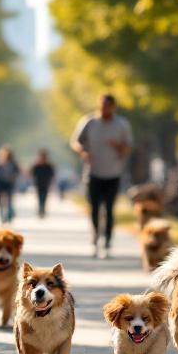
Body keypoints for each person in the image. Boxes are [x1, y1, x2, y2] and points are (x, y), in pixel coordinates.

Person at [70, 93, 133, 258]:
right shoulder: (89, 122)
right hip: (93, 173)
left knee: (110, 209)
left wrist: (118, 146)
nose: (104, 108)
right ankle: (95, 239)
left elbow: (128, 148)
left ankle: (107, 243)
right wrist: (83, 152)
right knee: (95, 209)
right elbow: (75, 142)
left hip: (113, 173)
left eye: (108, 105)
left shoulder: (121, 124)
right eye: (102, 105)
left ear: (113, 107)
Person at [0, 145, 21, 223]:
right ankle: (5, 216)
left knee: (8, 201)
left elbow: (17, 172)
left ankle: (7, 215)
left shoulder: (11, 163)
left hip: (8, 184)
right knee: (4, 201)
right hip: (2, 184)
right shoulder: (0, 163)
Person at [31, 149, 57, 218]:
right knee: (39, 198)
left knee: (44, 198)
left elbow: (52, 175)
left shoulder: (49, 166)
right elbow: (31, 173)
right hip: (38, 184)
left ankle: (43, 210)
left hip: (46, 185)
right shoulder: (36, 166)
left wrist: (52, 184)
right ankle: (40, 210)